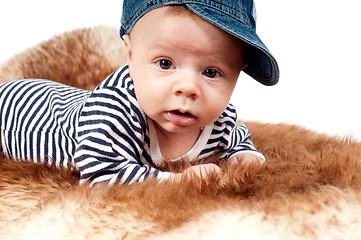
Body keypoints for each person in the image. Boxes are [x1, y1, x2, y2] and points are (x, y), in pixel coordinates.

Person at [0, 0, 279, 186]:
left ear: (238, 71)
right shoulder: (113, 111)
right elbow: (101, 174)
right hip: (18, 110)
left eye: (211, 72)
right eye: (165, 64)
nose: (188, 88)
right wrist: (177, 181)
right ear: (130, 54)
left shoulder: (220, 119)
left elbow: (236, 135)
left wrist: (243, 153)